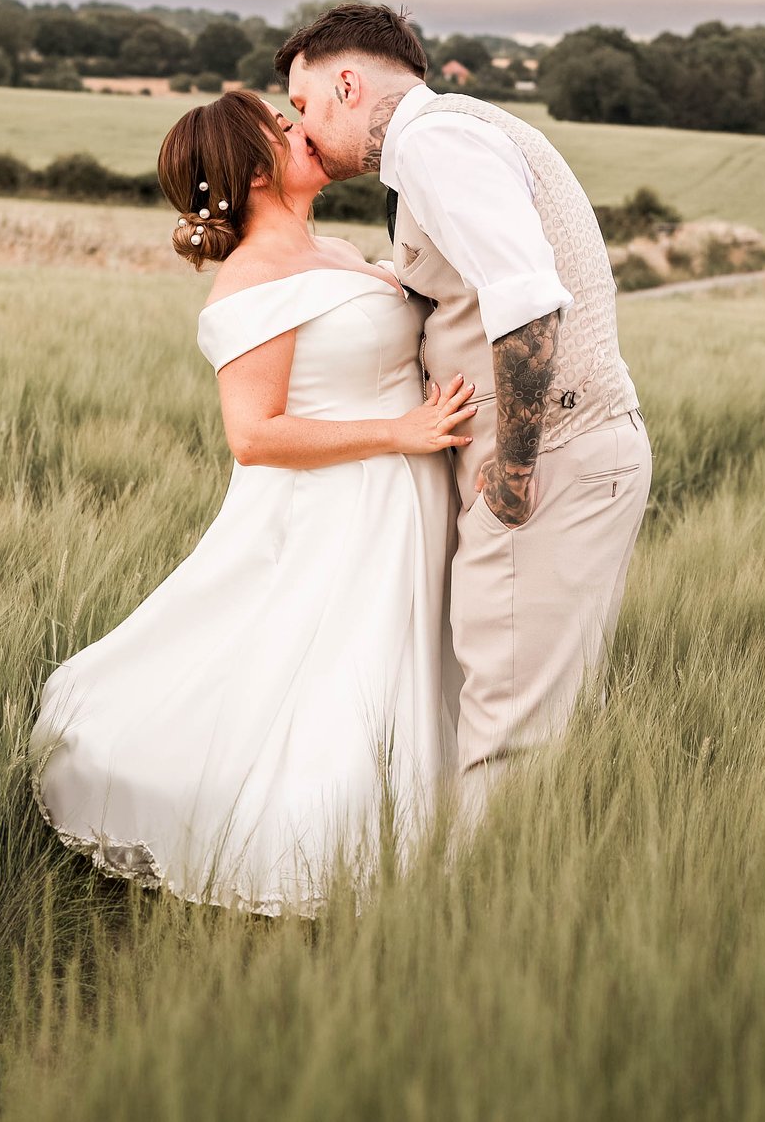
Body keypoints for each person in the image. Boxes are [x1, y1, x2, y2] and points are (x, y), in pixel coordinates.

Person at [31, 89, 473, 917]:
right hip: (337, 507)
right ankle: (333, 851)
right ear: (253, 169)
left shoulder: (335, 245)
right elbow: (255, 434)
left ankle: (437, 837)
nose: (298, 127)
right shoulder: (249, 283)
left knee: (400, 667)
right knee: (341, 677)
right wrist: (402, 429)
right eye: (278, 126)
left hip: (402, 494)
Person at [279, 3, 652, 829]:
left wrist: (515, 474)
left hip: (546, 461)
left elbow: (526, 306)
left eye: (305, 106)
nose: (301, 129)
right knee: (510, 724)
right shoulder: (447, 141)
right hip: (562, 456)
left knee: (507, 745)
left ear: (348, 84)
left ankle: (474, 936)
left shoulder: (434, 143)